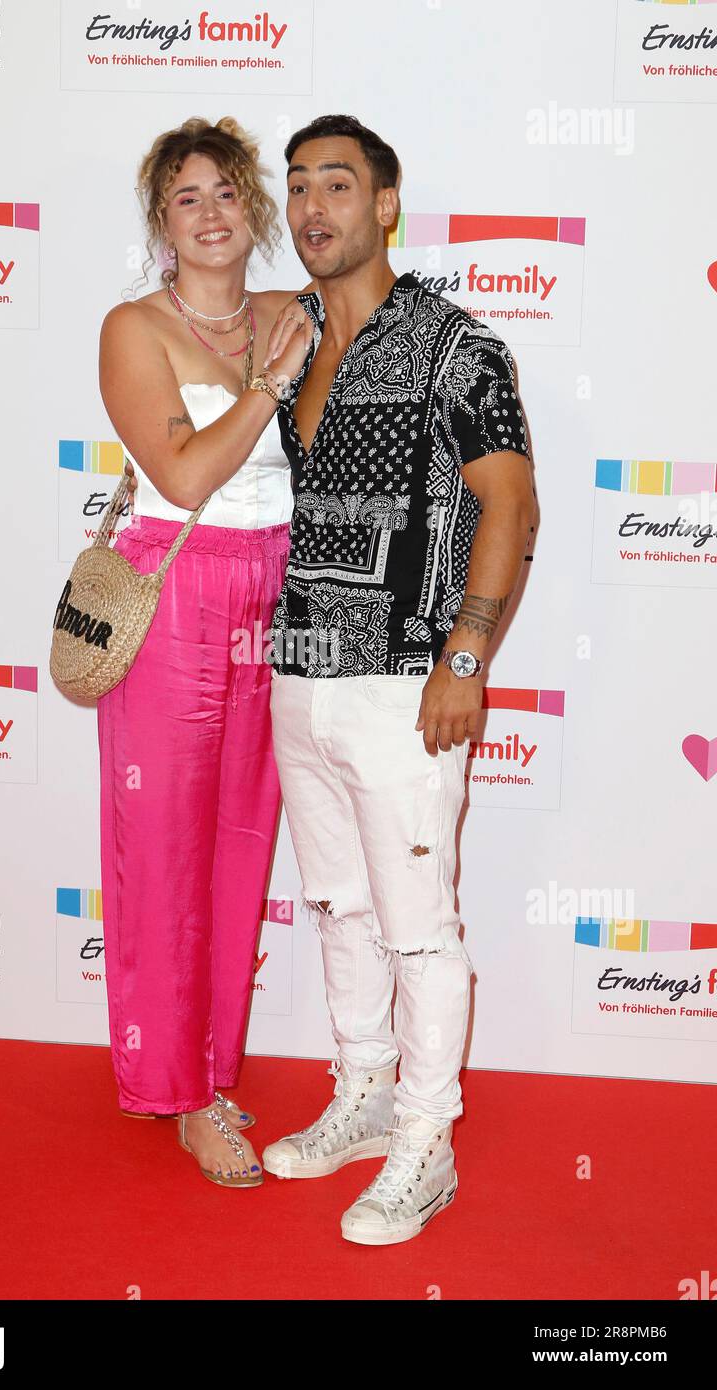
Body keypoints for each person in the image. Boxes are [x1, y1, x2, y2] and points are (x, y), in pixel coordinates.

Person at [260, 114, 537, 1243]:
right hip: (302, 671)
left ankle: (427, 1136)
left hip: (408, 681)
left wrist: (465, 656)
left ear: (386, 204)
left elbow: (510, 507)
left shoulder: (459, 345)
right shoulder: (290, 343)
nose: (313, 207)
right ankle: (364, 1092)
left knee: (419, 926)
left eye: (338, 183)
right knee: (340, 907)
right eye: (297, 187)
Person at [96, 116, 313, 1188]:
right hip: (177, 589)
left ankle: (210, 1067)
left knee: (240, 839)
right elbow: (182, 478)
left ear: (255, 208)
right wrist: (269, 385)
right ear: (161, 222)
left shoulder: (290, 313)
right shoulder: (134, 328)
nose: (213, 212)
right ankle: (172, 1089)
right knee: (167, 848)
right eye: (188, 197)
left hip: (274, 590)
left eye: (228, 191)